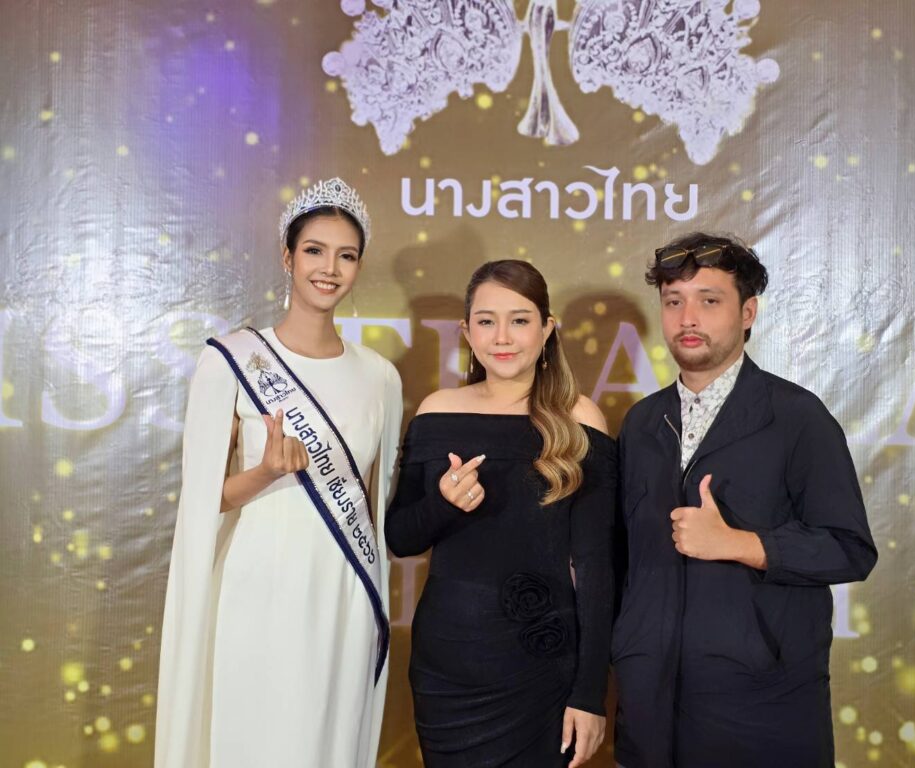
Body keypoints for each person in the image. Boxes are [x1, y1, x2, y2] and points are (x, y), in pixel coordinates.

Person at [155, 178, 402, 768]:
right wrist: (266, 471)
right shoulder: (231, 360)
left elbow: (379, 506)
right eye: (315, 250)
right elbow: (204, 500)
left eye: (346, 255)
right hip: (257, 579)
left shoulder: (380, 376)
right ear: (288, 257)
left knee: (321, 738)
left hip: (341, 586)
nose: (329, 269)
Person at [612, 233, 878, 768]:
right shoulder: (642, 423)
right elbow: (624, 560)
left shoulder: (797, 417)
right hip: (649, 707)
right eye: (673, 302)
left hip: (761, 710)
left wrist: (739, 543)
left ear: (748, 312)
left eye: (709, 301)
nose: (688, 318)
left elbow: (849, 549)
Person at [385, 260, 616, 767]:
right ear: (467, 331)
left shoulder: (579, 418)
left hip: (540, 670)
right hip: (445, 665)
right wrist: (443, 504)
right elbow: (400, 538)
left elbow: (597, 568)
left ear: (547, 329)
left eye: (520, 320)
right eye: (487, 321)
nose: (502, 337)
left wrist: (588, 693)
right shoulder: (436, 411)